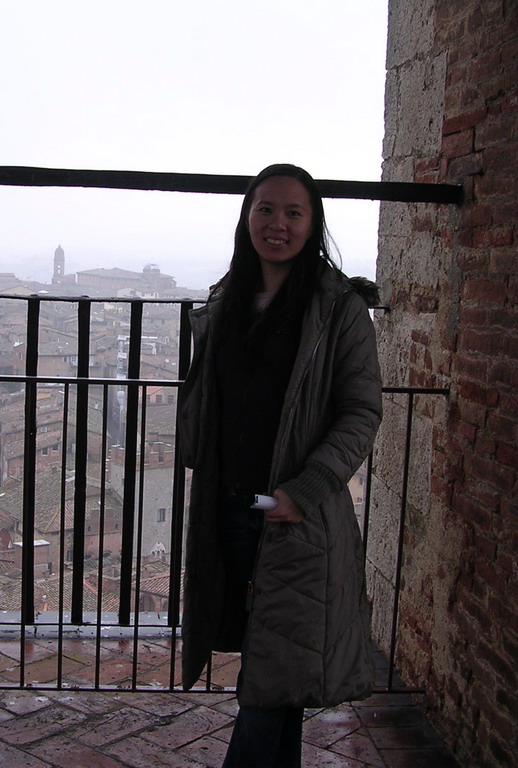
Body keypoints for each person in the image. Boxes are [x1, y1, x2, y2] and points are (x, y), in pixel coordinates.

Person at [177, 163, 383, 767]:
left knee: (273, 685)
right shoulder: (228, 302)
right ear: (246, 218)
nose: (278, 223)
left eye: (294, 212)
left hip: (294, 520)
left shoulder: (338, 308)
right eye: (265, 209)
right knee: (275, 678)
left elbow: (361, 411)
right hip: (229, 509)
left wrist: (307, 488)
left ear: (313, 223)